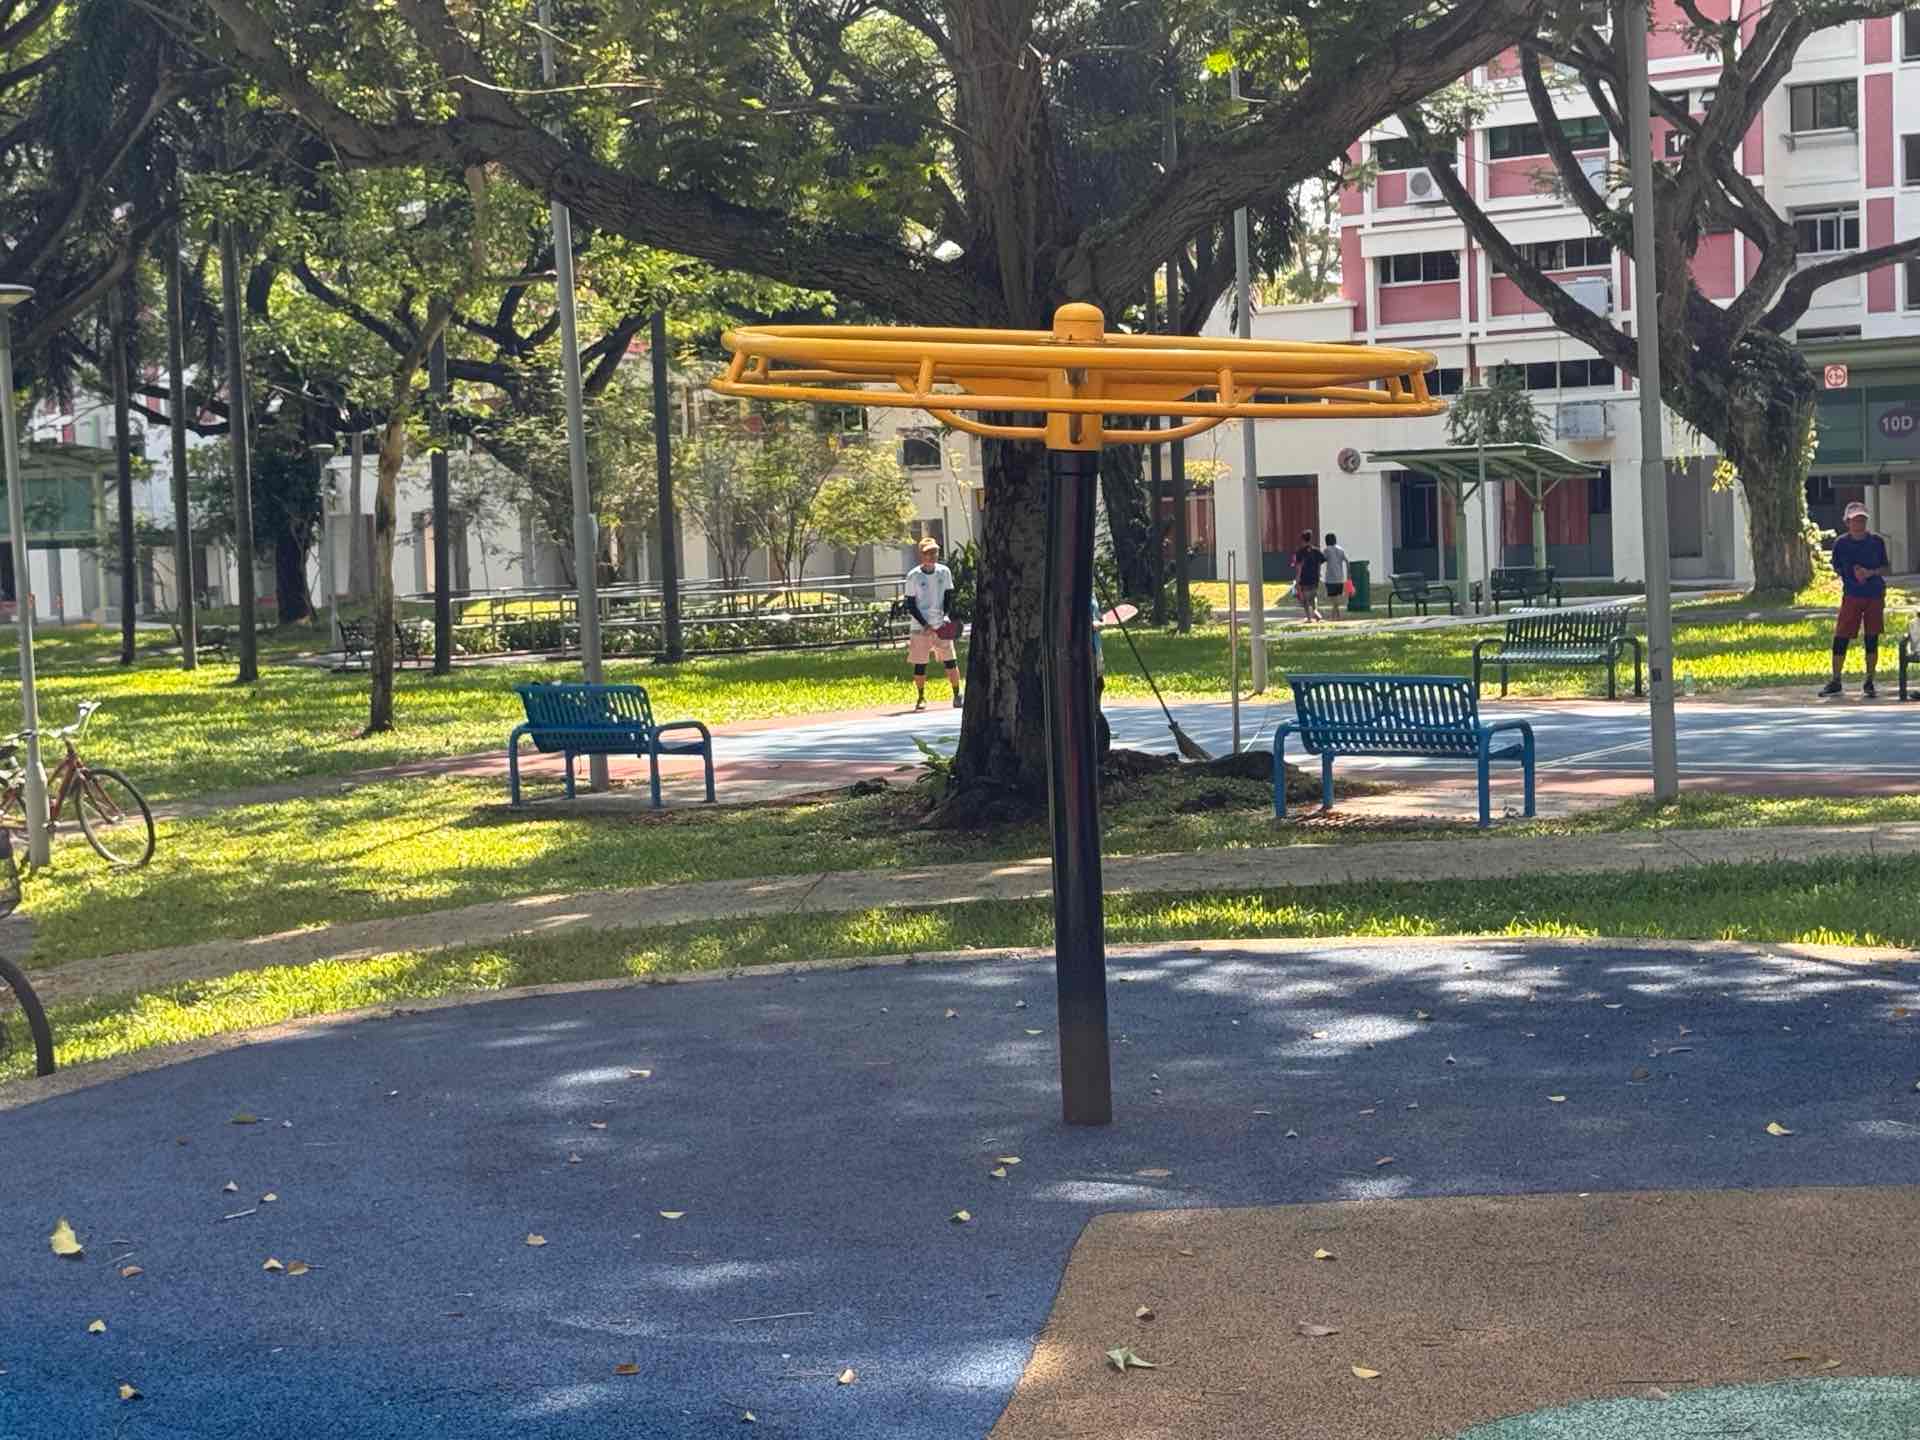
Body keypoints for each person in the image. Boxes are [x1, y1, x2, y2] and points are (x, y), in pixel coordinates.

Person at [1822, 500, 1891, 699]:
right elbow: (1836, 566)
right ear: (1847, 522)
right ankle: (1836, 679)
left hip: (1874, 594)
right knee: (1841, 636)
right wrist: (1851, 573)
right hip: (1852, 595)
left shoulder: (1876, 541)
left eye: (1862, 519)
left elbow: (1885, 567)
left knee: (1872, 637)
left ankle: (1869, 680)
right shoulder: (1841, 543)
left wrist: (1870, 573)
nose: (1859, 523)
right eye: (1855, 520)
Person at [904, 537, 963, 711]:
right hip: (920, 627)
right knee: (920, 663)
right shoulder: (913, 576)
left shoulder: (944, 572)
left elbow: (947, 596)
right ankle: (921, 696)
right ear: (921, 554)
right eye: (928, 552)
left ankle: (957, 694)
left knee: (950, 661)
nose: (932, 555)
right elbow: (911, 604)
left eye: (935, 552)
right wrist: (925, 624)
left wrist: (945, 616)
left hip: (940, 625)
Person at [1291, 529, 1326, 621]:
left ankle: (1309, 617)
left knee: (1305, 599)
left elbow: (1299, 567)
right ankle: (1315, 612)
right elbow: (1320, 562)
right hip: (1315, 578)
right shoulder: (1317, 551)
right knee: (1313, 597)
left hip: (1304, 578)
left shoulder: (1300, 552)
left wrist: (1297, 580)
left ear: (1302, 540)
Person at [1322, 532, 1350, 620]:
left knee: (1333, 600)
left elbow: (1322, 560)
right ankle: (1338, 617)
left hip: (1330, 578)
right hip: (1340, 578)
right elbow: (1347, 561)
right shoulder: (1341, 550)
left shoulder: (1327, 550)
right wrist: (1348, 574)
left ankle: (1332, 616)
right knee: (1336, 598)